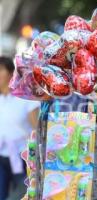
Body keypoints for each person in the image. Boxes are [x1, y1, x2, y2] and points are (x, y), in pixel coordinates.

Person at [0, 56, 40, 200]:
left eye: (0, 70)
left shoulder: (25, 97)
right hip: (2, 157)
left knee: (21, 195)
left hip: (23, 158)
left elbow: (37, 129)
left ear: (11, 73)